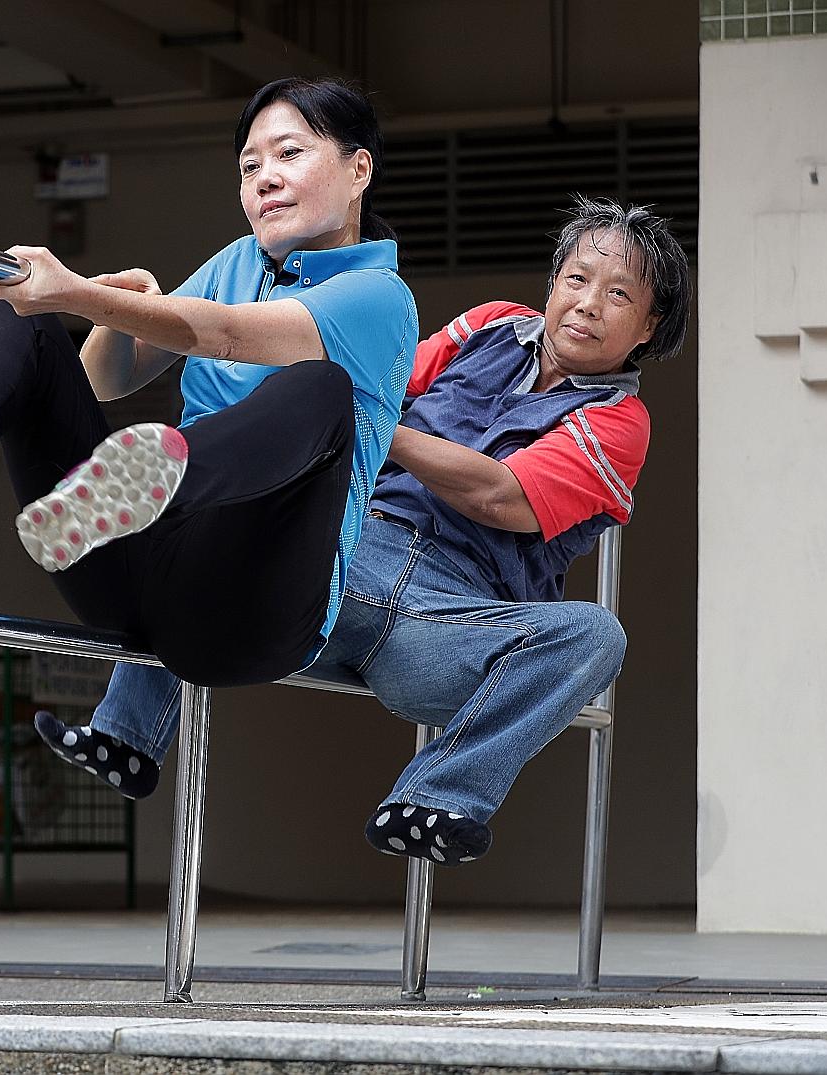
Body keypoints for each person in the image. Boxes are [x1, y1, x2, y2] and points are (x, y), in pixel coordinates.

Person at [48, 195, 692, 866]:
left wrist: (382, 425)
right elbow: (380, 375)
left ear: (649, 326)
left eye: (619, 294)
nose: (589, 302)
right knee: (217, 530)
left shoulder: (622, 423)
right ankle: (122, 737)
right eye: (578, 278)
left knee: (596, 634)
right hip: (343, 559)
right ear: (554, 282)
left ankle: (436, 799)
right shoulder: (493, 323)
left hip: (446, 621)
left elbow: (499, 494)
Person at [0, 76, 417, 797]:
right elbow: (103, 380)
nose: (264, 177)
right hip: (133, 578)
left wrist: (77, 290)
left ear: (358, 170)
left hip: (254, 605)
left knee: (320, 387)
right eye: (249, 165)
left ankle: (152, 480)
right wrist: (112, 310)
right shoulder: (236, 263)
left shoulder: (379, 295)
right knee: (21, 304)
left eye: (288, 153)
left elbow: (226, 334)